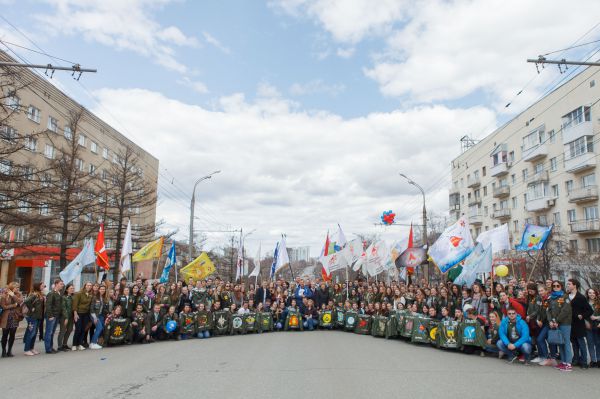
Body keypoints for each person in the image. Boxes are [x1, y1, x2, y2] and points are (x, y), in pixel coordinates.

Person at [547, 280, 572, 372]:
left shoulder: (565, 296)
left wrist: (557, 320)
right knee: (560, 342)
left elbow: (565, 311)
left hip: (564, 323)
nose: (556, 287)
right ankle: (563, 362)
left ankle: (568, 363)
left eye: (558, 286)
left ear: (561, 286)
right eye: (554, 286)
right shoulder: (551, 298)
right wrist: (550, 320)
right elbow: (548, 310)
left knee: (566, 342)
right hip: (555, 323)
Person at [567, 278, 593, 369]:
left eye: (569, 284)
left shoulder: (581, 297)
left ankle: (584, 362)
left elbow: (590, 311)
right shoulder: (566, 296)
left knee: (581, 343)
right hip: (569, 323)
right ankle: (576, 359)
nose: (568, 285)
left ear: (575, 285)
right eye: (568, 284)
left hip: (579, 324)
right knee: (573, 342)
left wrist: (582, 315)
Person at [1, 282, 24, 357]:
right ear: (11, 288)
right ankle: (3, 350)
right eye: (16, 287)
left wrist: (13, 295)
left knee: (12, 334)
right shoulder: (4, 295)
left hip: (15, 317)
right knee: (5, 335)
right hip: (6, 317)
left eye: (18, 287)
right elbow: (4, 307)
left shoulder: (19, 295)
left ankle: (9, 350)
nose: (18, 289)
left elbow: (20, 302)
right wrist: (13, 305)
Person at [24, 282, 46, 356]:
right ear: (38, 286)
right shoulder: (34, 294)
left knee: (34, 333)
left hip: (38, 316)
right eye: (42, 286)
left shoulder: (40, 294)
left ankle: (31, 348)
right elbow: (26, 301)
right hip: (32, 317)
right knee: (31, 333)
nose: (43, 287)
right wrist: (31, 308)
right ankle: (27, 349)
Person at [44, 279, 64, 354]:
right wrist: (50, 315)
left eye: (62, 284)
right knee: (49, 332)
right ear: (56, 284)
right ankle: (48, 348)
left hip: (57, 315)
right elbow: (48, 305)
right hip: (52, 316)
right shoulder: (51, 293)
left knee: (52, 332)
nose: (62, 285)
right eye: (61, 284)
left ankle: (51, 347)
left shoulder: (59, 293)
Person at [72, 282, 93, 351]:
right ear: (85, 286)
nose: (89, 287)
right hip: (79, 313)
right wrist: (75, 314)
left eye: (90, 285)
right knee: (78, 329)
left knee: (83, 329)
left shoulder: (90, 295)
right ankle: (74, 344)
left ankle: (80, 344)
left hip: (86, 314)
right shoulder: (79, 293)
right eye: (88, 285)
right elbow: (75, 304)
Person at [90, 285, 111, 350]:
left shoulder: (104, 298)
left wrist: (108, 314)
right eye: (101, 289)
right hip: (94, 315)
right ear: (99, 290)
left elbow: (104, 309)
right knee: (99, 328)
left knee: (101, 328)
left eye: (103, 289)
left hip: (101, 315)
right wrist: (95, 318)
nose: (102, 290)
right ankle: (93, 343)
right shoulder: (95, 297)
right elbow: (91, 308)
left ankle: (95, 342)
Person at [586, 288, 600, 368]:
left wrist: (597, 318)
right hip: (588, 326)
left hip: (597, 326)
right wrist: (586, 322)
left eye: (593, 293)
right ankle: (593, 360)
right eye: (590, 293)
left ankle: (599, 360)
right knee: (590, 343)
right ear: (587, 294)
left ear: (596, 294)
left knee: (598, 343)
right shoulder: (585, 303)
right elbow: (582, 314)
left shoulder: (598, 303)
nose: (592, 294)